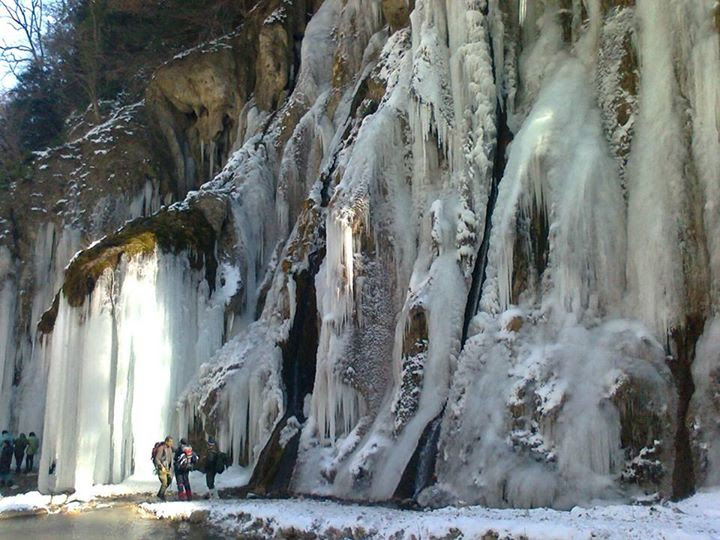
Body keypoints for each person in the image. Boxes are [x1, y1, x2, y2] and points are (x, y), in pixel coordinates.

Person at [154, 436, 174, 501]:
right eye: (170, 442)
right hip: (161, 467)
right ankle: (161, 496)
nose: (171, 443)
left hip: (167, 467)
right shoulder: (161, 448)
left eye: (172, 442)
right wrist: (161, 466)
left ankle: (160, 494)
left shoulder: (170, 448)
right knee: (164, 482)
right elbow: (156, 459)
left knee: (169, 480)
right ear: (166, 441)